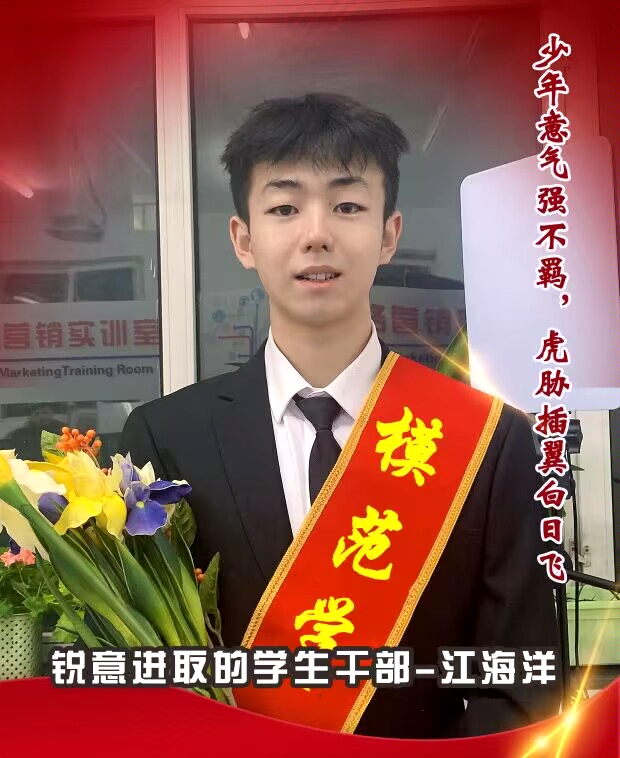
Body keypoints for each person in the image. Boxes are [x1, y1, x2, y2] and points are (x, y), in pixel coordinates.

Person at [121, 92, 561, 738]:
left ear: (388, 235)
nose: (316, 233)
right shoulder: (167, 437)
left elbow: (522, 683)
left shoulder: (491, 441)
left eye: (348, 206)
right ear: (243, 239)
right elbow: (146, 675)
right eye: (284, 207)